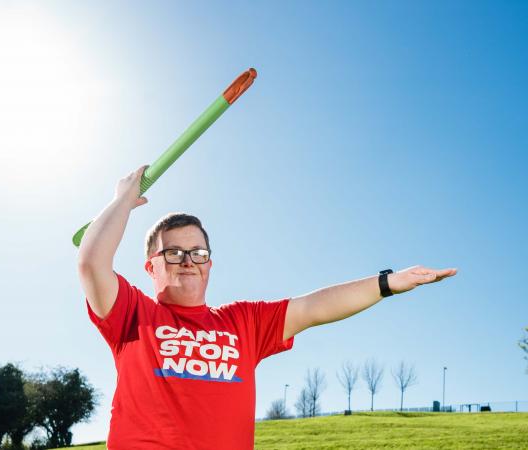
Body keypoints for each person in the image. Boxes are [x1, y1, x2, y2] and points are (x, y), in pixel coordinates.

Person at [77, 166, 457, 450]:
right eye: (173, 252)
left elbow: (313, 307)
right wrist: (123, 200)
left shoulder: (243, 322)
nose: (188, 260)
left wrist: (388, 282)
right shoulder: (133, 314)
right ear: (151, 266)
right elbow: (92, 262)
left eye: (198, 252)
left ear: (210, 263)